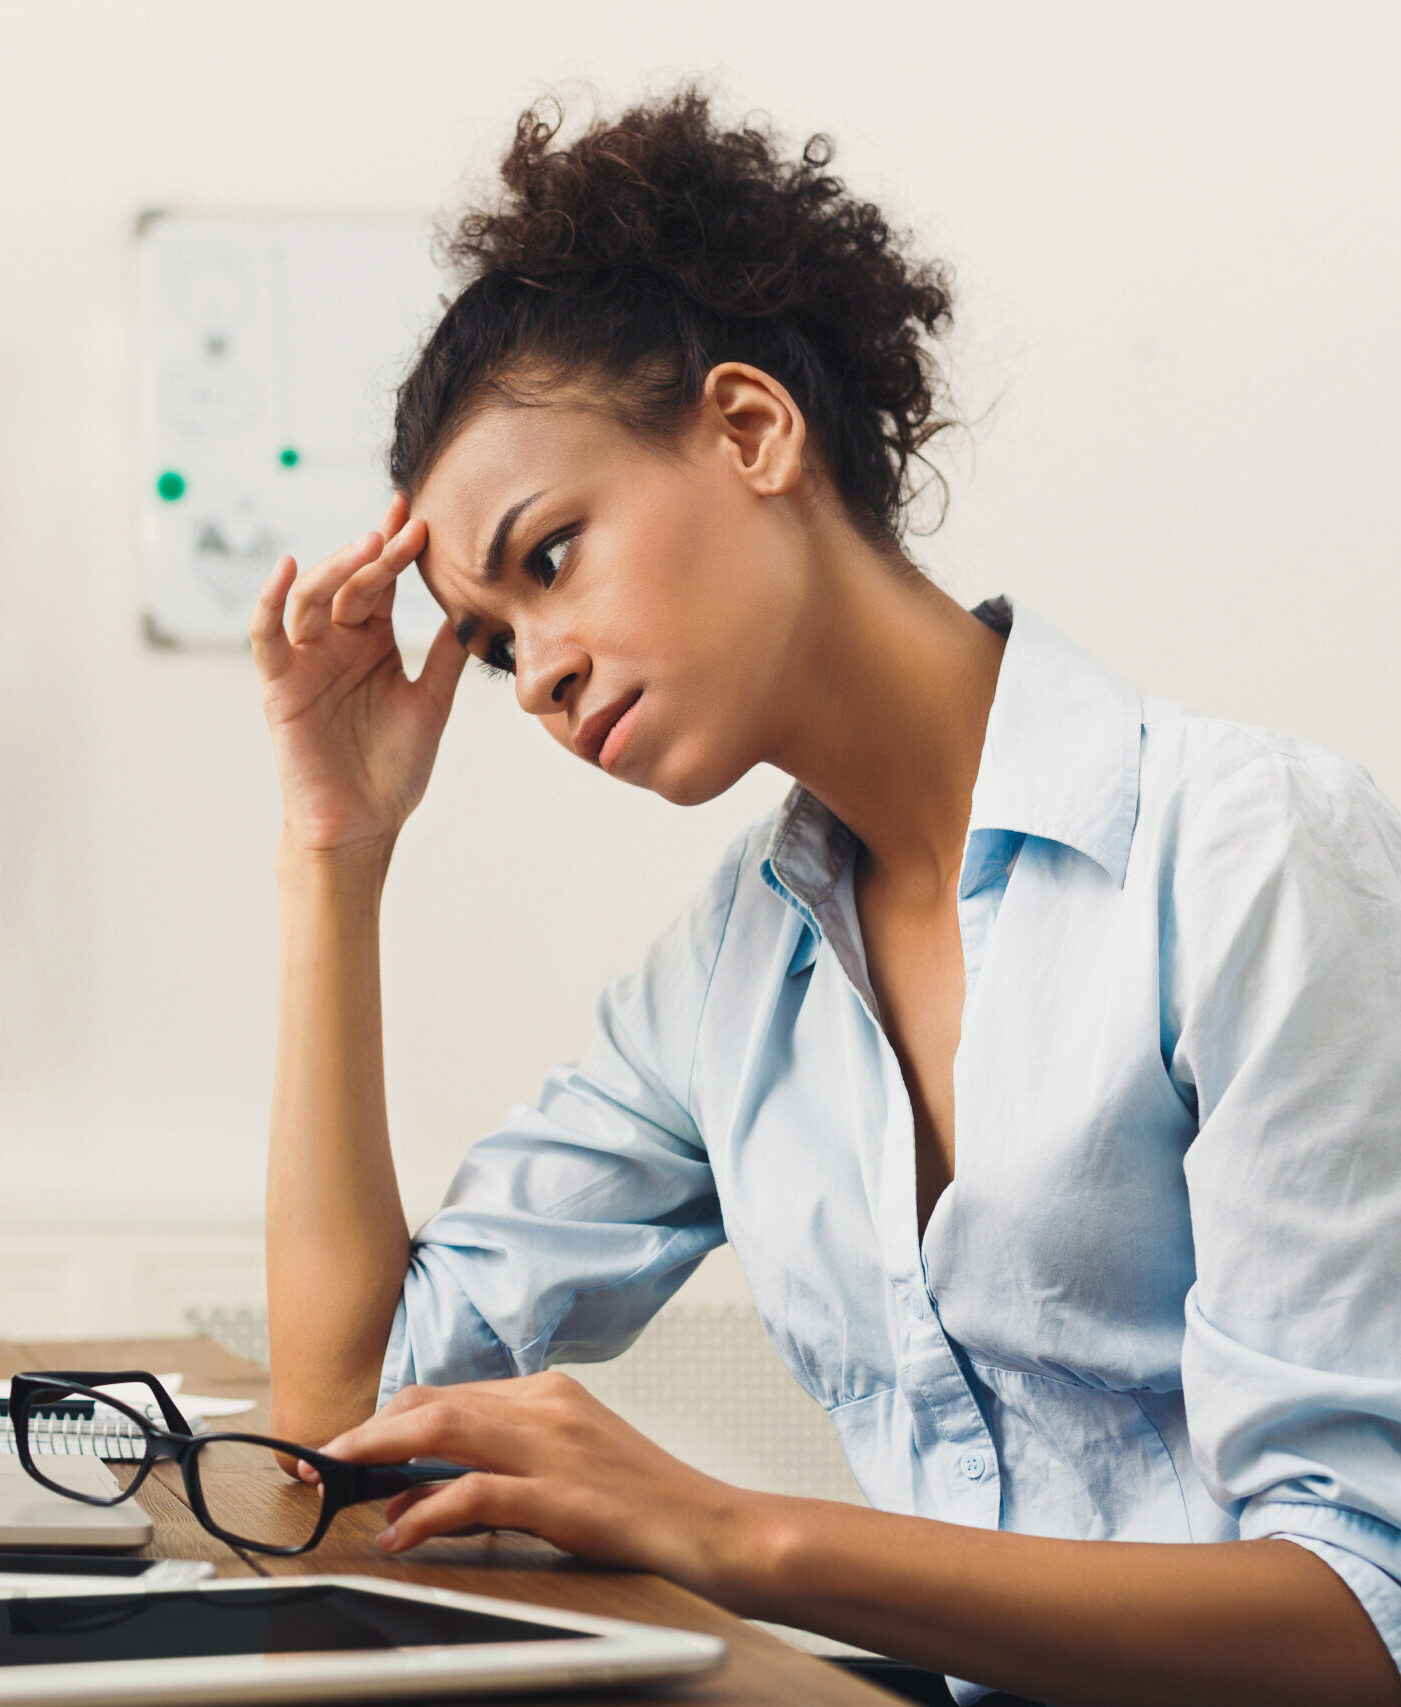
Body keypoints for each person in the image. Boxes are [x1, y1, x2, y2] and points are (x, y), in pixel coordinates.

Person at [250, 86, 1401, 1707]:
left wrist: (735, 1537)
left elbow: (1361, 1622)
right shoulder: (736, 967)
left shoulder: (1246, 855)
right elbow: (344, 1410)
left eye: (551, 557)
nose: (533, 677)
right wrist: (335, 848)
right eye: (495, 639)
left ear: (750, 431)